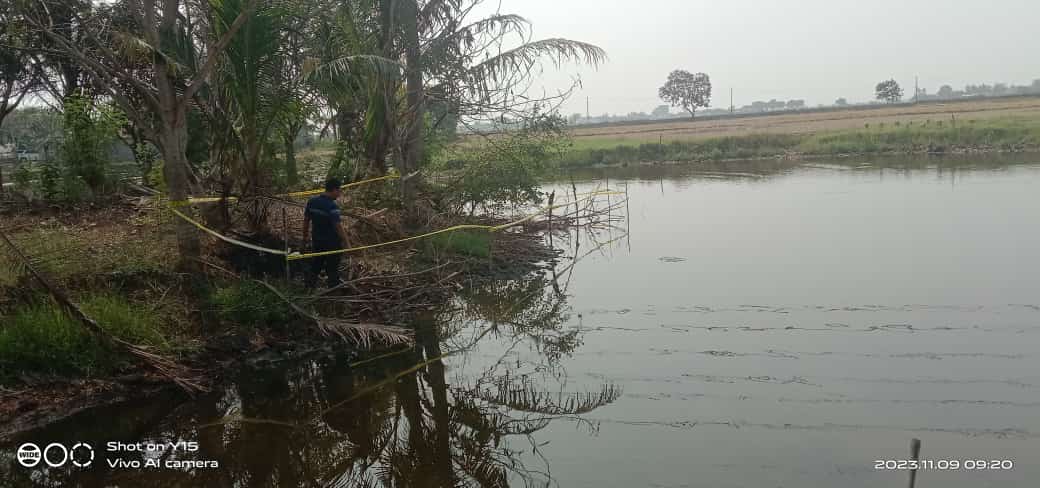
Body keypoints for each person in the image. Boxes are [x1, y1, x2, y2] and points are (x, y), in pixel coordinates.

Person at [303, 178, 349, 288]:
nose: (339, 194)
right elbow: (338, 227)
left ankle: (309, 287)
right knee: (332, 267)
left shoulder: (312, 202)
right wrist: (347, 243)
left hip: (317, 240)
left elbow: (306, 221)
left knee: (316, 264)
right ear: (334, 190)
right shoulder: (332, 206)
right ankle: (333, 291)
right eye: (339, 191)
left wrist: (304, 238)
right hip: (332, 242)